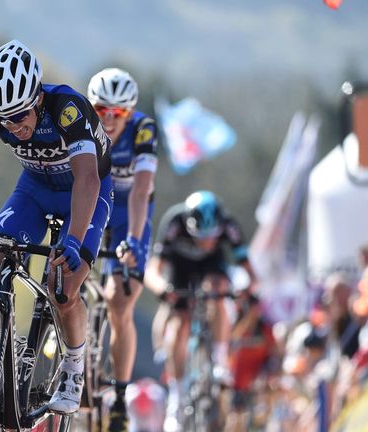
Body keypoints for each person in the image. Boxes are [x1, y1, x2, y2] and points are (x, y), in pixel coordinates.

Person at [0, 40, 112, 423]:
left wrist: (73, 239)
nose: (15, 129)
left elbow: (87, 178)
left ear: (36, 98)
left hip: (84, 193)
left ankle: (72, 365)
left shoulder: (67, 109)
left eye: (20, 116)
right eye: (5, 122)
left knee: (65, 288)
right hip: (34, 189)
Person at [144, 190, 256, 432]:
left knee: (218, 292)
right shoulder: (174, 223)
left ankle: (219, 360)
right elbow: (152, 270)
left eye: (212, 237)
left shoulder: (228, 225)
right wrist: (163, 289)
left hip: (212, 269)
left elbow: (250, 272)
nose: (206, 242)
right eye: (200, 237)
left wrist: (247, 289)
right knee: (179, 320)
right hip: (180, 271)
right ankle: (177, 395)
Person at [86, 67, 158, 431]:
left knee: (119, 300)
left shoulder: (143, 129)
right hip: (97, 206)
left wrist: (131, 238)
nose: (110, 119)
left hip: (131, 213)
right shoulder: (82, 124)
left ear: (130, 113)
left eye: (120, 113)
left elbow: (143, 189)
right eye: (102, 110)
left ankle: (118, 393)